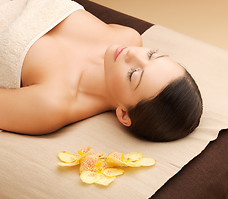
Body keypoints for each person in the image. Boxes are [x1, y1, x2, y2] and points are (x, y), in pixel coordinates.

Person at [0, 1, 202, 142]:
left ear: (123, 113)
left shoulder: (51, 104)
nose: (133, 54)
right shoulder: (128, 37)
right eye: (152, 54)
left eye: (133, 74)